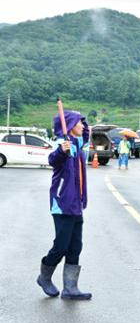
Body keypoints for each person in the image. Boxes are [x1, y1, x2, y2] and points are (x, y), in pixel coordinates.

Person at [36, 110, 92, 300]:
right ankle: (44, 277)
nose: (83, 126)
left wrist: (85, 127)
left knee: (76, 246)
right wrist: (62, 151)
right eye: (79, 123)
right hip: (63, 204)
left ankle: (70, 288)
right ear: (69, 126)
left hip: (76, 204)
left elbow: (85, 135)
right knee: (61, 246)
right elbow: (53, 160)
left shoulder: (77, 143)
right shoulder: (63, 144)